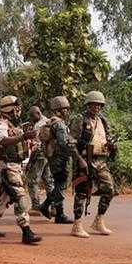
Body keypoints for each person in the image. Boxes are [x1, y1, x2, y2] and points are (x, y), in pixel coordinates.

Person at [0, 96, 42, 245]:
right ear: (9, 108)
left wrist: (30, 143)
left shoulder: (12, 125)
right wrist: (23, 137)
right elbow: (2, 140)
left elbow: (17, 145)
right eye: (16, 107)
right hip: (7, 167)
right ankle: (26, 231)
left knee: (1, 198)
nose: (19, 111)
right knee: (20, 196)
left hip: (14, 166)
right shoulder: (0, 124)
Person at [69, 91, 117, 238]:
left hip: (100, 159)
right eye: (93, 104)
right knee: (82, 192)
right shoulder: (80, 120)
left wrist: (112, 146)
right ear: (88, 105)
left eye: (99, 105)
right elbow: (71, 143)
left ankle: (98, 220)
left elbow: (108, 138)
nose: (96, 107)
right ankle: (77, 224)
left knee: (109, 189)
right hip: (84, 158)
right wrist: (80, 160)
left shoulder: (103, 121)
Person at [38, 96, 80, 224]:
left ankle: (59, 214)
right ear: (58, 110)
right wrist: (74, 147)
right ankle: (46, 205)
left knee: (58, 184)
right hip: (60, 158)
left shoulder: (51, 122)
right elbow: (63, 143)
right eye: (65, 109)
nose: (67, 112)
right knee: (61, 185)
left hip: (53, 158)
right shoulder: (60, 124)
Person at [25, 106, 54, 214]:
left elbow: (36, 146)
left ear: (37, 113)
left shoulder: (39, 125)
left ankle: (36, 207)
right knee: (48, 180)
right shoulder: (48, 121)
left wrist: (30, 161)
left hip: (40, 155)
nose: (31, 119)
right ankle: (54, 206)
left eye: (32, 116)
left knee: (32, 181)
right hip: (49, 155)